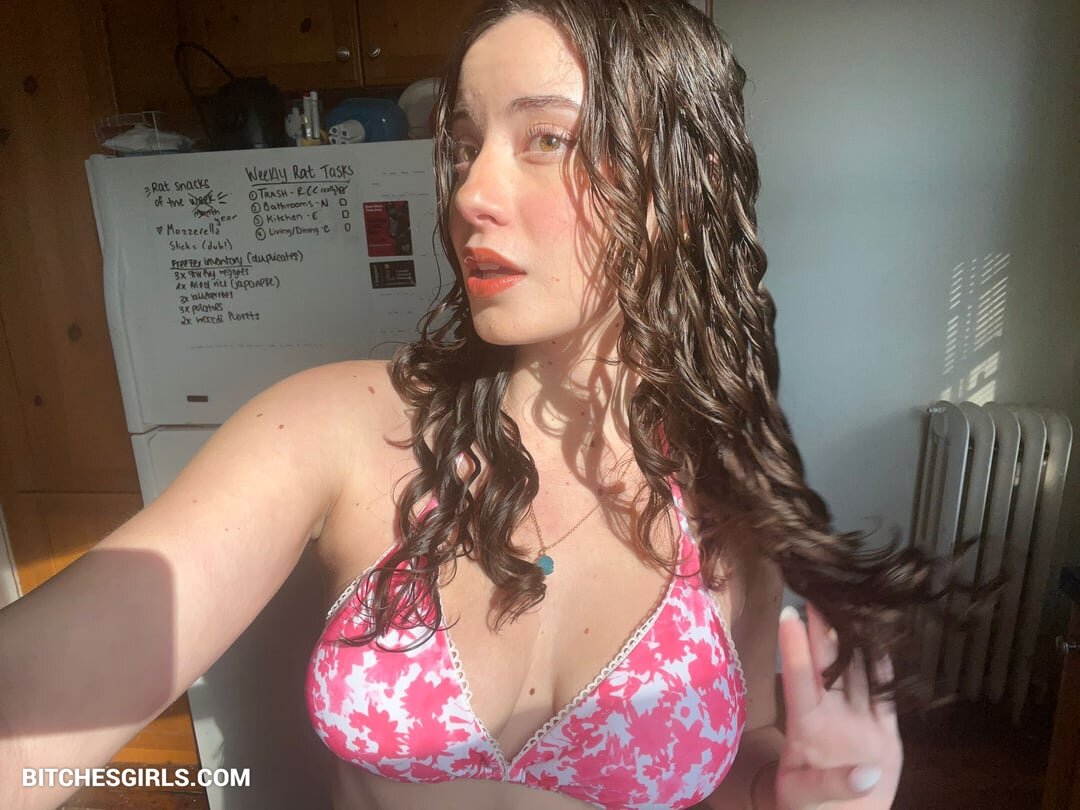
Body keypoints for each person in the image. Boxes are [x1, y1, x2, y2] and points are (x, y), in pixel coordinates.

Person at [0, 1, 932, 808]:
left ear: (675, 192)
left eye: (547, 139)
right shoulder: (338, 431)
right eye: (462, 146)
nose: (470, 192)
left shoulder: (727, 501)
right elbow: (42, 691)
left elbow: (741, 747)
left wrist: (783, 788)